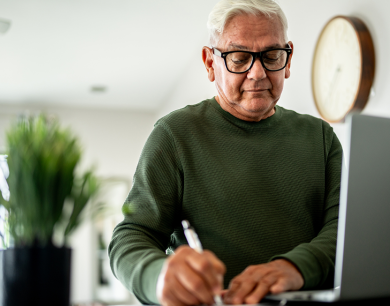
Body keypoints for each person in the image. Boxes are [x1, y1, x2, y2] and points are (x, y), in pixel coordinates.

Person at [108, 1, 342, 305]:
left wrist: (295, 267)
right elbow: (131, 236)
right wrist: (158, 276)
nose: (257, 73)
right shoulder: (174, 135)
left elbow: (344, 233)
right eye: (240, 57)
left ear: (288, 59)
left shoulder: (321, 138)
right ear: (209, 63)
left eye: (271, 56)